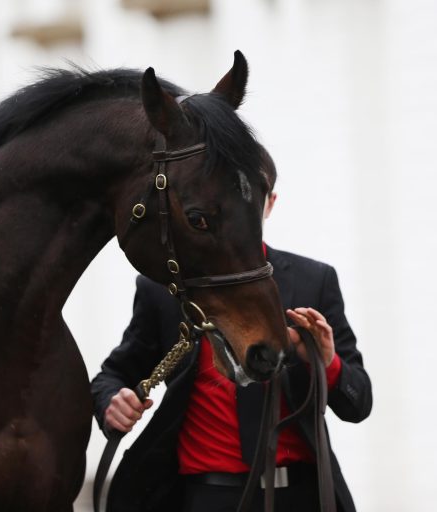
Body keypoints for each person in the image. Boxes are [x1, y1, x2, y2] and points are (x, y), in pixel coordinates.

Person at [90, 152, 372, 512]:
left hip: (299, 496)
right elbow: (112, 376)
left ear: (270, 204)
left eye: (252, 199)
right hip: (203, 497)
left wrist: (328, 363)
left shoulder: (314, 281)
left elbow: (358, 403)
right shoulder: (163, 288)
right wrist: (112, 402)